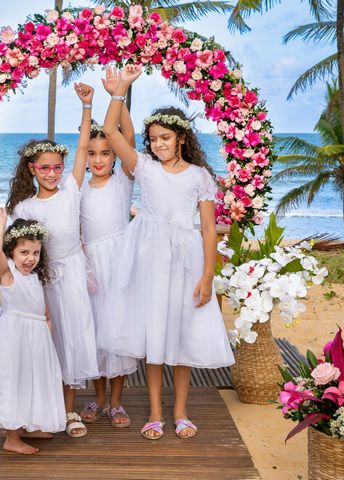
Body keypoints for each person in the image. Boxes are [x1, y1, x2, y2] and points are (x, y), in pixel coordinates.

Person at [101, 64, 235, 441]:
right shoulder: (142, 167)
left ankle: (181, 411)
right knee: (155, 336)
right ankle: (156, 412)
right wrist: (119, 92)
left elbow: (208, 228)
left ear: (180, 139)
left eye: (165, 138)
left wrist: (208, 275)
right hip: (148, 258)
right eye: (153, 138)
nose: (158, 144)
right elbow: (111, 131)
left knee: (182, 336)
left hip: (186, 260)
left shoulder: (199, 176)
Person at [6, 82, 99, 438]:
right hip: (40, 282)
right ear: (32, 169)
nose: (51, 173)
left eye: (56, 167)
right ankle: (39, 412)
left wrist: (86, 106)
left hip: (72, 274)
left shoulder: (72, 189)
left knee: (71, 341)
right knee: (44, 344)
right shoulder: (23, 208)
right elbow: (17, 252)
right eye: (44, 168)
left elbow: (82, 148)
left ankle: (68, 410)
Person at [0, 210, 66, 454]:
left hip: (36, 338)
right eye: (24, 252)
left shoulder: (34, 276)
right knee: (14, 381)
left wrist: (47, 323)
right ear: (11, 253)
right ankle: (11, 438)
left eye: (35, 253)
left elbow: (41, 304)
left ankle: (26, 426)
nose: (30, 259)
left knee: (31, 381)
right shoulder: (8, 275)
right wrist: (2, 225)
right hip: (15, 338)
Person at [78, 66, 138, 428]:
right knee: (96, 334)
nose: (99, 159)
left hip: (121, 263)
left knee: (120, 333)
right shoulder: (80, 188)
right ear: (85, 157)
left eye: (106, 153)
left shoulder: (122, 182)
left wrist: (119, 94)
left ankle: (117, 402)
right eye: (93, 154)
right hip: (91, 268)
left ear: (114, 156)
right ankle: (98, 399)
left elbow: (124, 133)